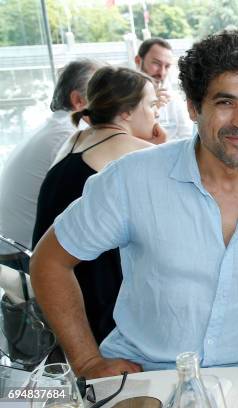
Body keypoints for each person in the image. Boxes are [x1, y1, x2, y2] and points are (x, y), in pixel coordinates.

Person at [30, 29, 238, 379]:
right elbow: (49, 262)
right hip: (150, 376)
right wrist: (86, 362)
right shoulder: (132, 179)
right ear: (192, 107)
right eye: (225, 102)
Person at [31, 66, 162, 344]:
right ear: (126, 112)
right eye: (151, 105)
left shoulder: (75, 138)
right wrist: (163, 144)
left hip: (55, 281)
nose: (156, 114)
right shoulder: (133, 149)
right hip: (91, 292)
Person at [0, 59, 102, 249]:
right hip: (25, 256)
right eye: (103, 95)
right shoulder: (70, 137)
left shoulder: (54, 128)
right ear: (78, 100)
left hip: (13, 248)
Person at [135, 37, 192, 140]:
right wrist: (148, 106)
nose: (162, 73)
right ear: (138, 61)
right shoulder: (123, 98)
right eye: (156, 63)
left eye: (167, 66)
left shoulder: (174, 99)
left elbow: (186, 137)